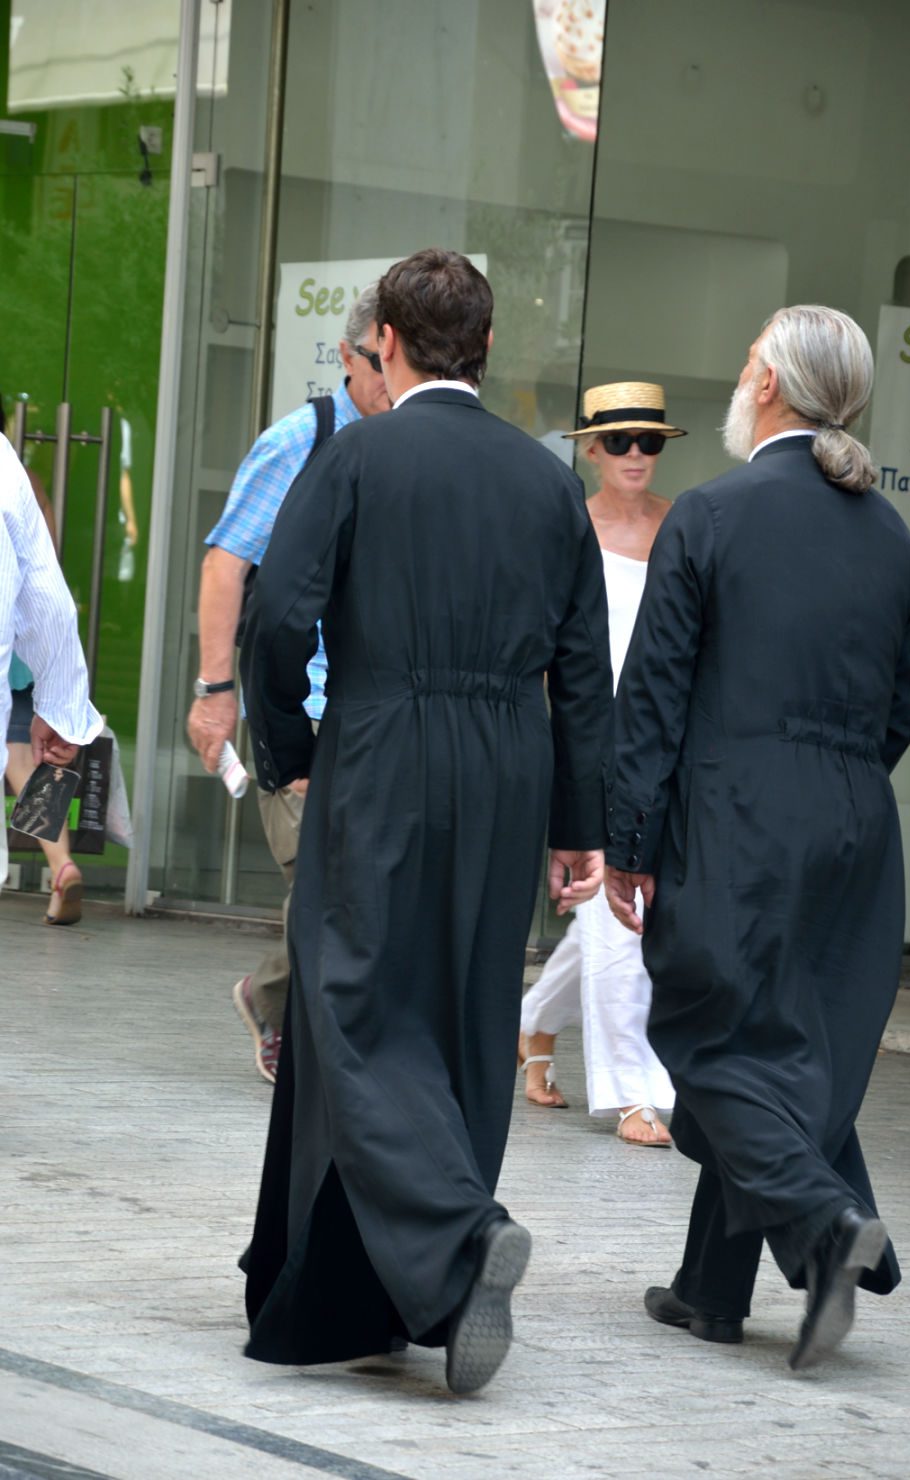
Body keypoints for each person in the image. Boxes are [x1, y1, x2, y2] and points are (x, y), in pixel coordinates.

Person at [239, 247, 613, 1394]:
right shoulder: (548, 483)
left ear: (388, 343)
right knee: (459, 1015)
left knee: (349, 1002)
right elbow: (583, 668)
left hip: (382, 745)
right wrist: (577, 821)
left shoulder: (356, 455)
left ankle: (459, 1236)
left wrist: (290, 749)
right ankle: (374, 1293)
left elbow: (276, 616)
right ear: (486, 347)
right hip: (507, 763)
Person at [604, 305, 910, 1372]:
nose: (740, 380)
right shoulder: (891, 536)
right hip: (854, 826)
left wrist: (629, 841)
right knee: (785, 1049)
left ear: (773, 387)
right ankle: (710, 1291)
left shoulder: (711, 513)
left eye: (748, 363)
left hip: (734, 817)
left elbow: (652, 697)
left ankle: (827, 1227)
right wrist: (834, 788)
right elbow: (900, 712)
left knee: (712, 1037)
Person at [186, 285, 390, 1083]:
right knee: (326, 883)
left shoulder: (408, 445)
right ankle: (301, 1031)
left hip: (377, 711)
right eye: (378, 362)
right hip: (298, 705)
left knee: (356, 885)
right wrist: (214, 691)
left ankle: (270, 994)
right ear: (346, 357)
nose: (392, 379)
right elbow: (225, 565)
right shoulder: (299, 442)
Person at [518, 382, 684, 1145]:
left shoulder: (683, 526)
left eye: (649, 441)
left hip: (662, 735)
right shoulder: (568, 526)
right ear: (590, 449)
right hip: (586, 735)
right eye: (619, 441)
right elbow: (547, 642)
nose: (635, 454)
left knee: (614, 909)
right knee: (621, 917)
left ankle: (532, 1023)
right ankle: (633, 1092)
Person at [1, 432, 102, 891]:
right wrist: (63, 707)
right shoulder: (19, 477)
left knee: (18, 756)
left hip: (17, 644)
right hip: (22, 643)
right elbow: (44, 576)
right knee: (29, 759)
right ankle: (61, 862)